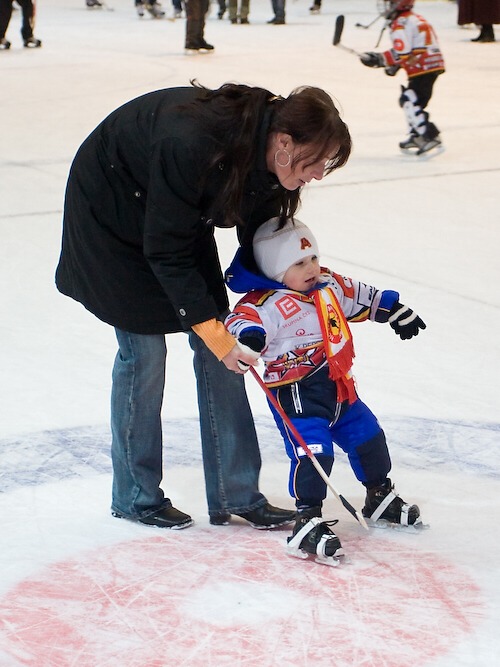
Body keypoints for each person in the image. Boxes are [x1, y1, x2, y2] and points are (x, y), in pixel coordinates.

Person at [55, 81, 351, 532]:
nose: (318, 175)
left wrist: (294, 281)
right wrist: (212, 331)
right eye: (316, 161)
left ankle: (238, 492)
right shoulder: (192, 142)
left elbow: (262, 238)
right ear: (285, 143)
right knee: (145, 354)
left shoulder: (269, 159)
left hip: (173, 219)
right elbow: (165, 250)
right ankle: (135, 495)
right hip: (111, 215)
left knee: (226, 352)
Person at [224, 217, 426, 566]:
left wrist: (393, 309)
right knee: (315, 455)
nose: (311, 268)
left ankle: (379, 495)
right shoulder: (267, 303)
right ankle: (307, 518)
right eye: (298, 263)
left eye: (313, 258)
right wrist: (250, 339)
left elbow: (359, 294)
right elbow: (241, 319)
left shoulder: (328, 284)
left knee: (369, 438)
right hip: (297, 393)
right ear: (274, 271)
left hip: (338, 385)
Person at [359, 0, 445, 156]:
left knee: (410, 100)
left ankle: (429, 136)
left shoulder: (400, 23)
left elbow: (403, 51)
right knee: (412, 100)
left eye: (390, 3)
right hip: (429, 63)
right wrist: (397, 65)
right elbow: (413, 48)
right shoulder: (413, 18)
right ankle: (417, 135)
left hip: (422, 66)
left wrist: (381, 59)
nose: (386, 7)